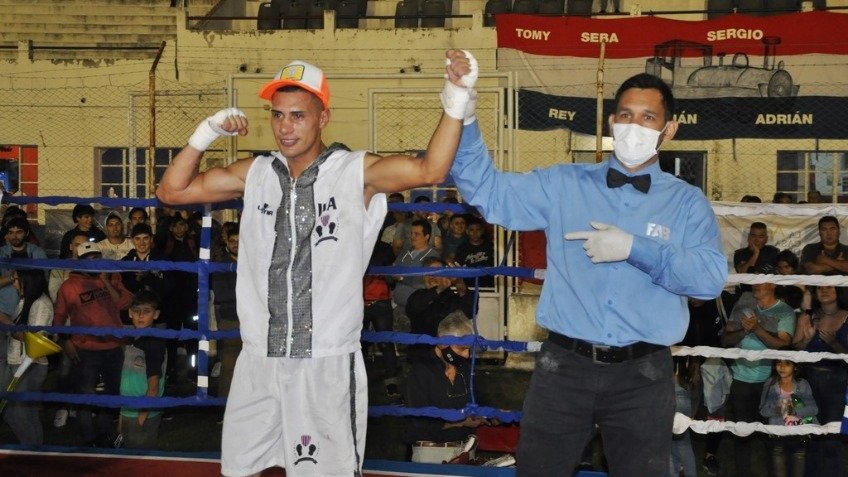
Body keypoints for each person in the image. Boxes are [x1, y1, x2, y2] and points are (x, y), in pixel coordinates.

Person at [155, 50, 477, 477]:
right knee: (240, 470)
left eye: (298, 116)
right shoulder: (256, 172)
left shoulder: (354, 172)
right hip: (260, 357)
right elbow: (171, 194)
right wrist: (205, 133)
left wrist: (455, 95)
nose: (285, 127)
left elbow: (431, 170)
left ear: (323, 117)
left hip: (325, 360)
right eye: (277, 115)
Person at [449, 72, 727, 475]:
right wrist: (467, 118)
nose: (635, 126)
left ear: (669, 129)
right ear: (611, 122)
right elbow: (488, 194)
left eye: (648, 117)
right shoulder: (564, 183)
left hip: (643, 373)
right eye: (626, 115)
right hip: (565, 368)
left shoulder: (687, 204)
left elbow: (709, 279)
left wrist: (637, 248)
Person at [53, 241, 133, 446]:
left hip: (114, 345)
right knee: (85, 396)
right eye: (88, 260)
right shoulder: (69, 286)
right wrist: (66, 341)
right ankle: (89, 439)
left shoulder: (112, 276)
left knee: (113, 393)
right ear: (80, 262)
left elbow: (124, 303)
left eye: (96, 257)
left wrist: (105, 281)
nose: (93, 262)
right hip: (86, 347)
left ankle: (102, 434)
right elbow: (59, 316)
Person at [721, 279, 796, 477]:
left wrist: (757, 329)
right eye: (754, 280)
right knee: (742, 433)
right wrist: (744, 330)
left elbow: (783, 347)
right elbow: (725, 339)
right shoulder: (745, 302)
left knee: (777, 432)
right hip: (741, 380)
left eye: (761, 281)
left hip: (774, 382)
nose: (755, 285)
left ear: (772, 285)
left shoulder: (785, 311)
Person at [404, 311, 489, 463]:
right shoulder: (420, 372)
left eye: (469, 349)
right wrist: (461, 421)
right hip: (431, 454)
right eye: (461, 348)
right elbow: (419, 423)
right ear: (443, 343)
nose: (466, 355)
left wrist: (491, 414)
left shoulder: (466, 369)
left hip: (465, 452)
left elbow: (481, 400)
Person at [792, 285, 848, 477]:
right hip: (809, 383)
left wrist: (834, 344)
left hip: (838, 383)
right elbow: (795, 352)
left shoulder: (847, 317)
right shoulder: (808, 317)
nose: (824, 290)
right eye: (819, 288)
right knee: (811, 434)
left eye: (829, 286)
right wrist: (806, 341)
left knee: (832, 438)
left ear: (838, 290)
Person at [0, 269, 52, 445]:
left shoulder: (41, 304)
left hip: (29, 365)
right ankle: (34, 451)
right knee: (18, 412)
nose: (14, 284)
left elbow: (34, 340)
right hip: (18, 361)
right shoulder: (27, 301)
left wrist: (5, 322)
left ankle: (33, 452)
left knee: (20, 413)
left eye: (17, 280)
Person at [119, 289, 167, 449]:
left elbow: (153, 386)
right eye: (136, 311)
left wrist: (142, 415)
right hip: (127, 409)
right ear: (130, 313)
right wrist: (121, 413)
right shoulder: (131, 339)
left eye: (146, 311)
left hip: (144, 412)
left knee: (142, 460)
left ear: (156, 314)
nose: (140, 316)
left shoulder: (154, 343)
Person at [759, 357, 818, 477]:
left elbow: (814, 409)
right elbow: (763, 411)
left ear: (795, 367)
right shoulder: (770, 384)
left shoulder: (803, 384)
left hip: (800, 434)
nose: (782, 366)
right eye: (778, 363)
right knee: (778, 463)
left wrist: (793, 410)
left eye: (787, 363)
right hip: (778, 434)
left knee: (799, 458)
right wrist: (778, 410)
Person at [392, 219, 441, 310]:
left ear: (426, 236)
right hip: (398, 304)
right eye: (411, 233)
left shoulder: (433, 256)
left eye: (416, 234)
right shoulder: (405, 252)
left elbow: (431, 283)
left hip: (419, 308)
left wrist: (402, 277)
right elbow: (393, 271)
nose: (412, 236)